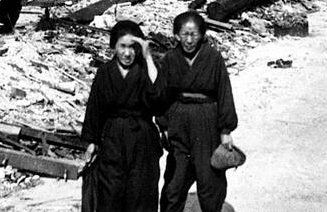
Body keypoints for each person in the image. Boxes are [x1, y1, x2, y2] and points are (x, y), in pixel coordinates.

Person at [158, 11, 238, 212]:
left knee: (209, 180)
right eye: (184, 34)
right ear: (176, 35)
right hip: (179, 120)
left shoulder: (213, 58)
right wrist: (164, 125)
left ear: (202, 35)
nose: (189, 40)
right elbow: (162, 94)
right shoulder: (170, 59)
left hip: (207, 121)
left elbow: (224, 93)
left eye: (194, 34)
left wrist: (226, 131)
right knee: (174, 183)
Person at [81, 20, 163, 212]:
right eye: (122, 47)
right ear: (113, 47)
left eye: (133, 47)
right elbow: (95, 107)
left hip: (142, 139)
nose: (127, 53)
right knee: (110, 192)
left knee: (141, 193)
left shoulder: (146, 70)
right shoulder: (105, 73)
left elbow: (159, 96)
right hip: (113, 139)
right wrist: (91, 142)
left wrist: (148, 57)